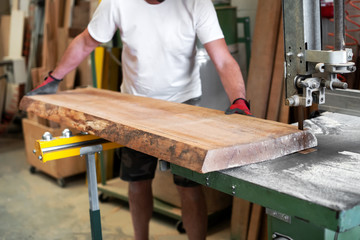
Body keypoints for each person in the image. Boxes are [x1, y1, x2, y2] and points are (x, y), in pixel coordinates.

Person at [27, 0, 252, 239]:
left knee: (189, 186)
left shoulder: (196, 2)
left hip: (184, 107)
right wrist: (54, 77)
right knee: (137, 181)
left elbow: (223, 58)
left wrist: (239, 99)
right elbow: (86, 42)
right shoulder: (116, 2)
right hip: (135, 107)